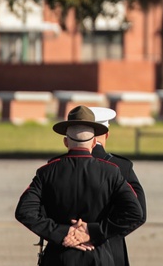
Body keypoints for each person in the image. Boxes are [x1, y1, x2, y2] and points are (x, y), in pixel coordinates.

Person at [15, 105, 145, 266]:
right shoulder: (111, 172)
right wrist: (92, 232)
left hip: (59, 254)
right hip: (98, 254)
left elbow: (25, 212)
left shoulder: (47, 171)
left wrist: (63, 232)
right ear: (94, 143)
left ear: (65, 141)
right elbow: (135, 212)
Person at [88, 107, 147, 266]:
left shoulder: (57, 165)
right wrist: (109, 235)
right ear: (106, 134)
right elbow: (139, 213)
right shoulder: (121, 166)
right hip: (110, 250)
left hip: (67, 248)